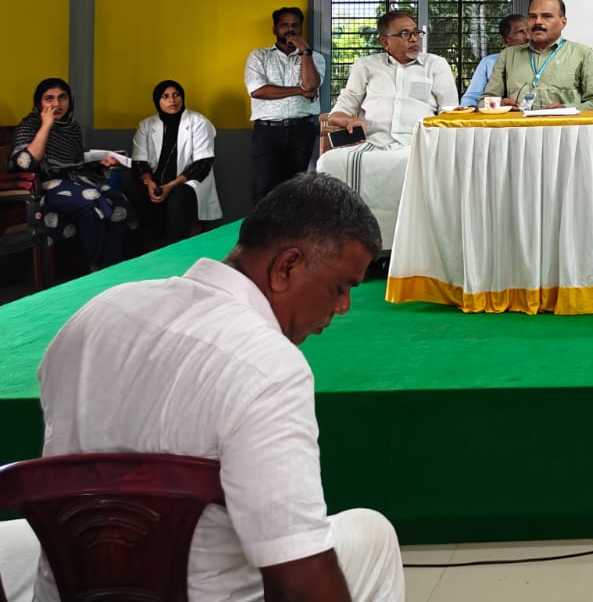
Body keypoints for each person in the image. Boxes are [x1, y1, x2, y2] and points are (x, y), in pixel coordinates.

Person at [0, 174, 403, 602]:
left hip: (75, 587)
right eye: (340, 288)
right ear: (286, 267)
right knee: (372, 533)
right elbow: (298, 576)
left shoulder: (95, 315)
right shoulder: (269, 365)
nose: (343, 307)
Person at [319, 9, 457, 249]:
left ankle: (407, 247)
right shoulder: (366, 65)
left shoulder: (436, 64)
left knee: (411, 163)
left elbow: (450, 111)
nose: (414, 38)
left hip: (417, 141)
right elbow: (339, 111)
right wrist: (349, 121)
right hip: (374, 141)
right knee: (328, 163)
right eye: (405, 34)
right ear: (385, 42)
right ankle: (347, 244)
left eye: (416, 32)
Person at [6, 78, 130, 270]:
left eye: (62, 97)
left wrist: (101, 161)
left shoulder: (72, 127)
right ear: (39, 103)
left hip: (74, 180)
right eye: (49, 99)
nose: (57, 104)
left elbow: (75, 161)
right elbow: (27, 162)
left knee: (117, 199)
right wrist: (46, 125)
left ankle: (112, 265)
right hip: (43, 184)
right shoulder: (29, 125)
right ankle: (94, 265)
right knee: (92, 200)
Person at [245, 7, 325, 208]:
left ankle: (290, 229)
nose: (290, 29)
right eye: (284, 25)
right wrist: (299, 91)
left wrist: (305, 51)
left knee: (295, 191)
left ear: (301, 28)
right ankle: (262, 229)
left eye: (295, 25)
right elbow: (258, 90)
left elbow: (310, 85)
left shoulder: (315, 58)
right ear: (275, 29)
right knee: (263, 189)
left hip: (302, 131)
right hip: (267, 132)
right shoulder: (259, 56)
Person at [131, 79, 221, 247]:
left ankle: (173, 249)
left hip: (187, 181)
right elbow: (139, 162)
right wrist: (149, 183)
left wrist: (171, 185)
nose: (172, 100)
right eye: (165, 96)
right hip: (155, 180)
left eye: (176, 95)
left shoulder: (199, 122)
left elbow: (202, 164)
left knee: (178, 197)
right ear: (157, 101)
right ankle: (137, 250)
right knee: (135, 193)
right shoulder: (146, 125)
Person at [485, 0, 593, 110]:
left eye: (546, 16)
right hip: (519, 123)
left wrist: (565, 109)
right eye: (532, 17)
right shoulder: (508, 55)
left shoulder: (582, 54)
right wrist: (499, 104)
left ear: (563, 22)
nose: (538, 22)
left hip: (564, 123)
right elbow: (484, 101)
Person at [460, 13, 527, 106]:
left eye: (530, 31)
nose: (528, 37)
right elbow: (470, 100)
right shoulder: (488, 63)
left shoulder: (538, 61)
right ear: (505, 40)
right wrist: (498, 104)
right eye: (520, 32)